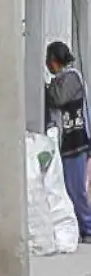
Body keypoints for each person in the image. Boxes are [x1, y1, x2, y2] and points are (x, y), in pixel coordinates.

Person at [45, 40, 91, 243]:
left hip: (77, 142)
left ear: (55, 61)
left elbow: (58, 99)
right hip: (67, 142)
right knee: (68, 188)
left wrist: (47, 88)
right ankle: (81, 228)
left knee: (76, 188)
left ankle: (88, 227)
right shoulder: (62, 78)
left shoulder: (71, 77)